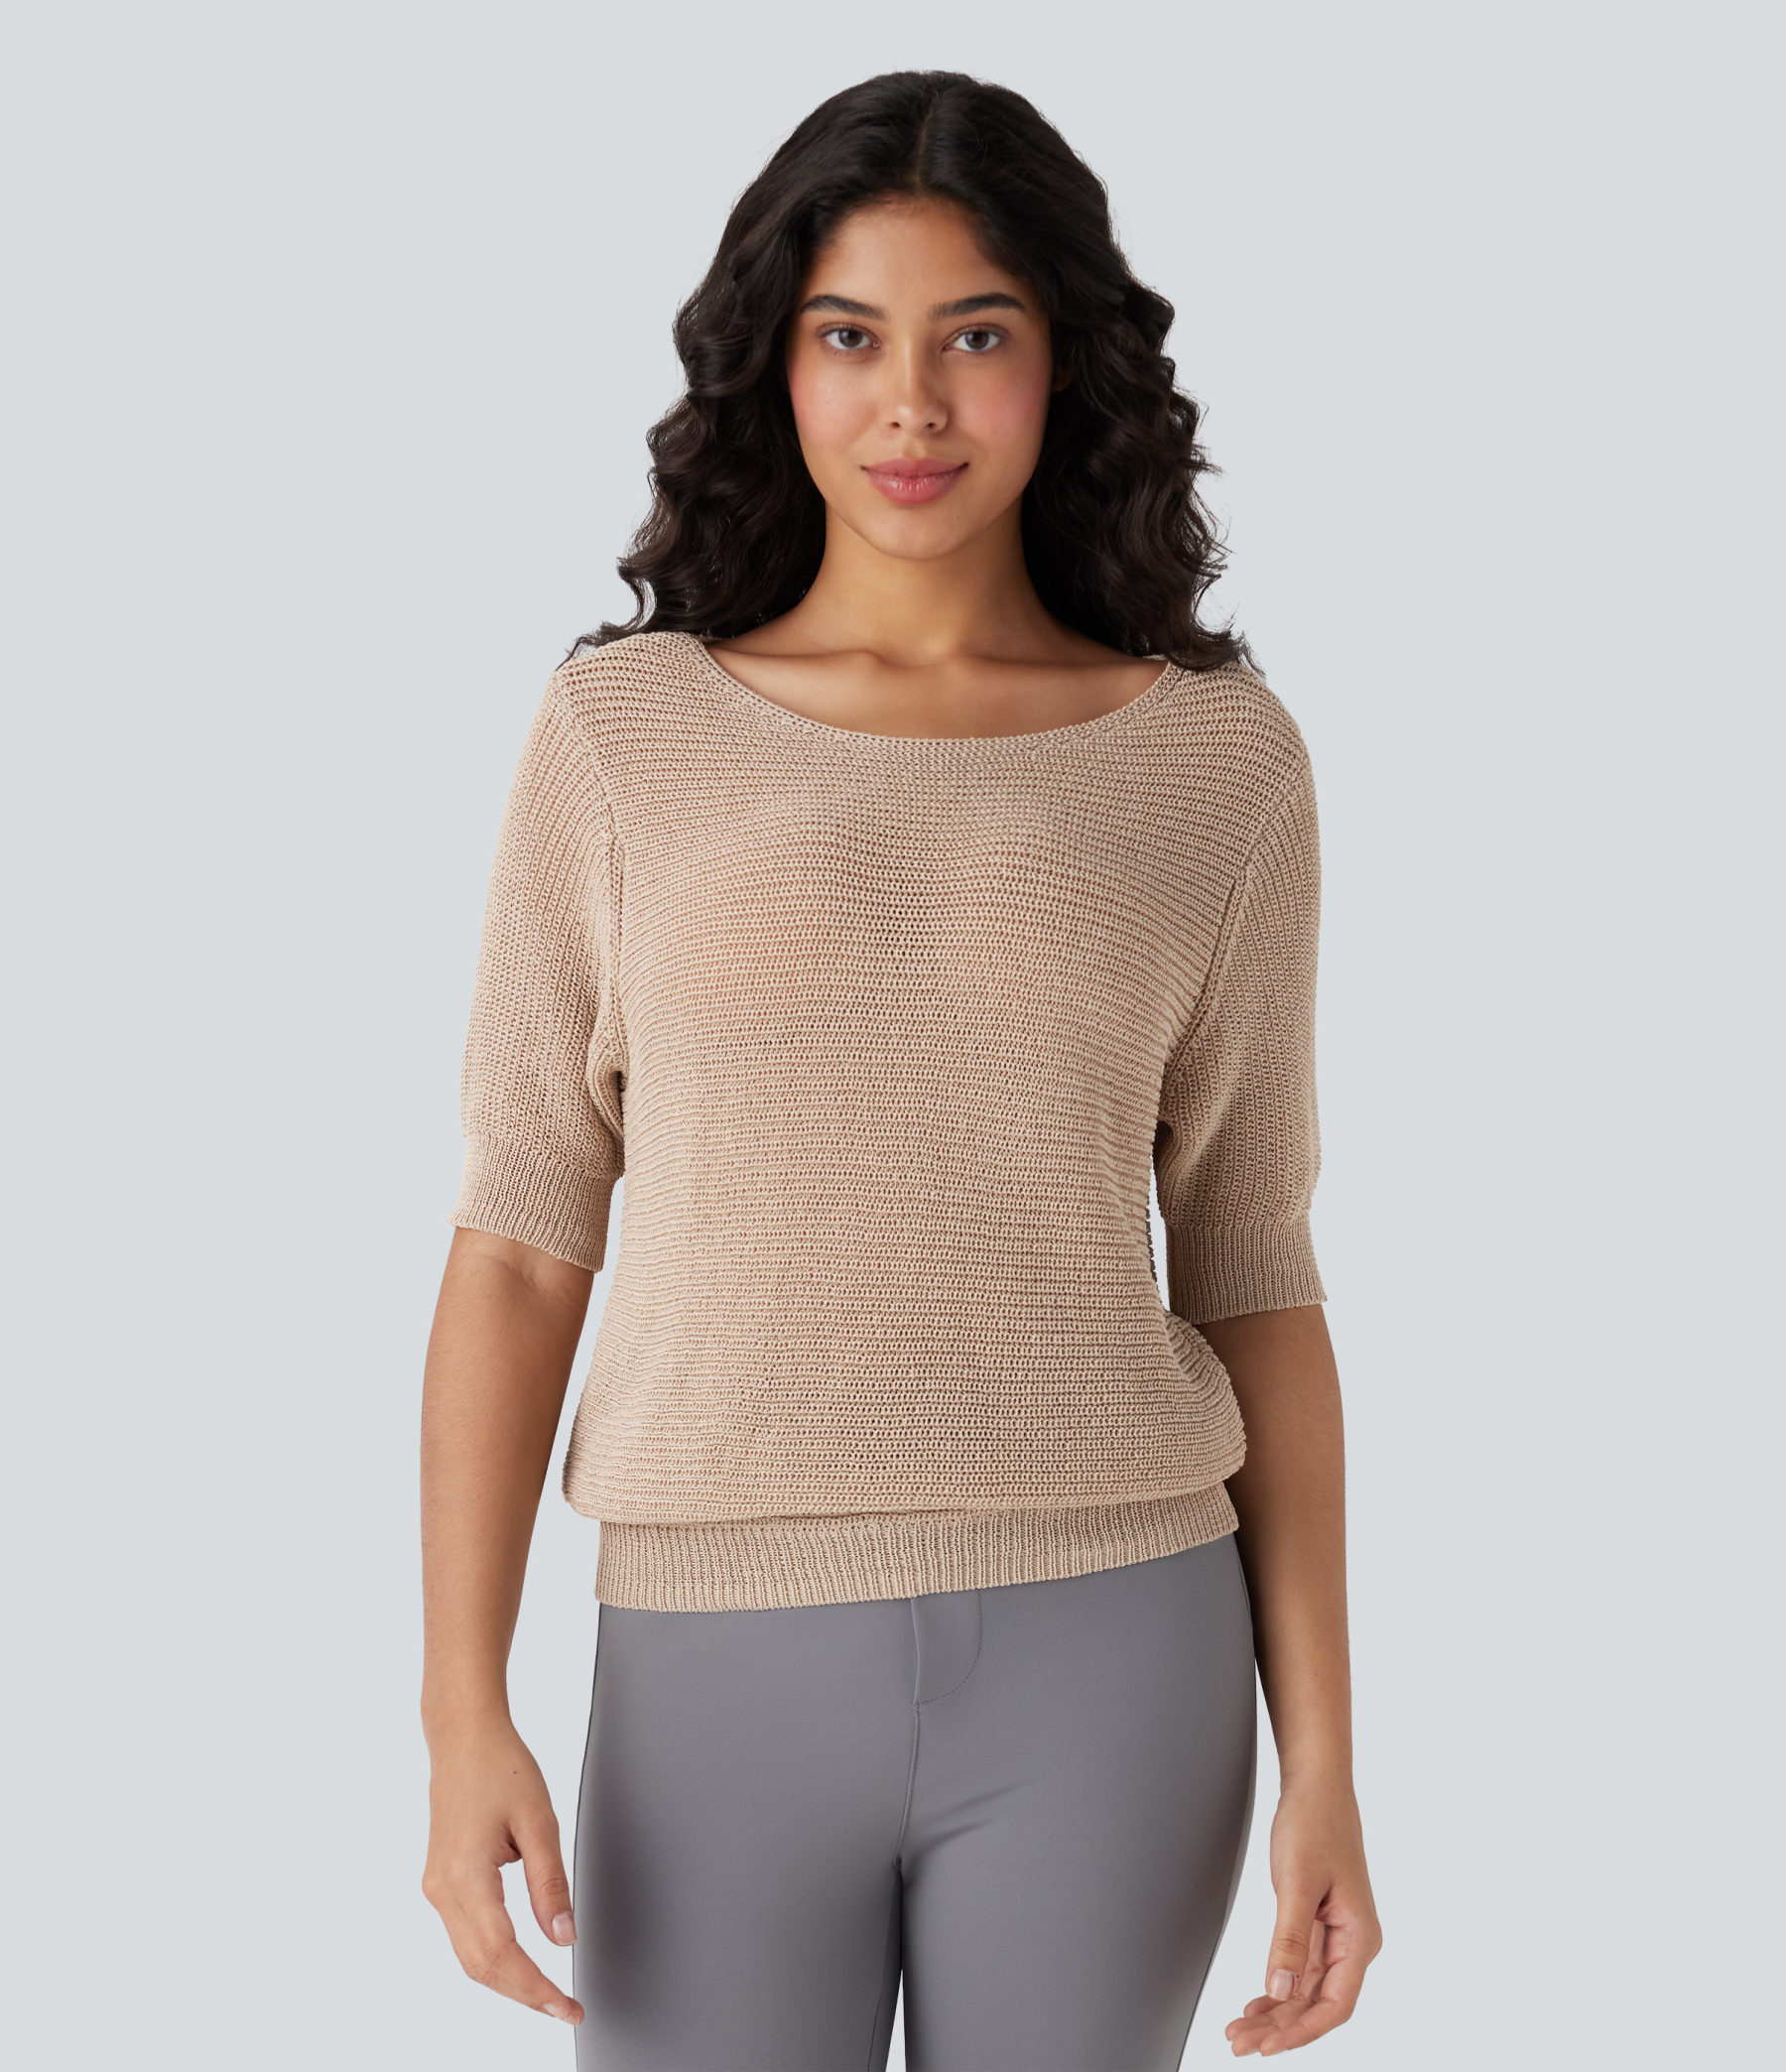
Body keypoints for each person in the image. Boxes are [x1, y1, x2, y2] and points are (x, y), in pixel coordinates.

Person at [420, 69, 1382, 2069]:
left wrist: (1330, 1770)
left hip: (1120, 1651)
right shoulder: (624, 737)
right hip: (713, 1659)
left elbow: (1256, 1271)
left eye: (978, 337)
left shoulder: (1220, 767)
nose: (914, 406)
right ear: (774, 365)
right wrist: (459, 1708)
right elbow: (517, 1242)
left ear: (1067, 363)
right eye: (850, 337)